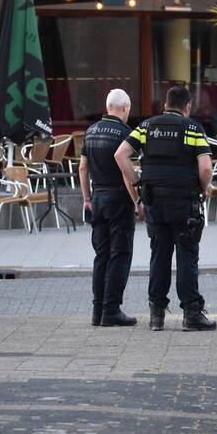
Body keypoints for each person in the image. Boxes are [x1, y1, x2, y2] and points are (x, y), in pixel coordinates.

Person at [114, 85, 216, 332]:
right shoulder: (193, 128)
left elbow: (120, 155)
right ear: (187, 107)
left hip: (154, 203)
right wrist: (205, 188)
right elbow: (205, 168)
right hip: (184, 203)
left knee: (159, 256)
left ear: (165, 105)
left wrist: (138, 187)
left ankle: (156, 316)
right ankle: (191, 314)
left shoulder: (147, 126)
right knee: (187, 256)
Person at [78, 88, 137, 327]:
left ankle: (97, 311)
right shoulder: (125, 133)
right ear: (124, 108)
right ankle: (111, 310)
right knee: (120, 254)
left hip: (98, 199)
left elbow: (82, 168)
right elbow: (125, 171)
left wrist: (87, 198)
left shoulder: (90, 131)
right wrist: (137, 199)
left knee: (101, 255)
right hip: (118, 200)